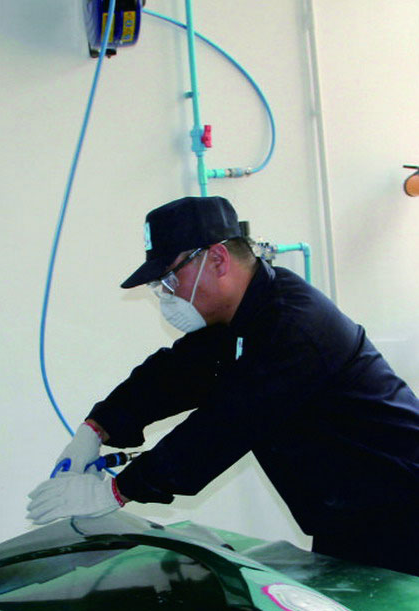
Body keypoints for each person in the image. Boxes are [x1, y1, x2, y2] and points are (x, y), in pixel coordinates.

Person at [27, 196, 419, 575]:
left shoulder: (293, 326)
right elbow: (176, 373)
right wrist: (96, 428)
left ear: (217, 259)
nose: (166, 296)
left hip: (403, 509)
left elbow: (223, 427)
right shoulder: (245, 314)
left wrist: (115, 491)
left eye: (169, 279)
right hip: (351, 514)